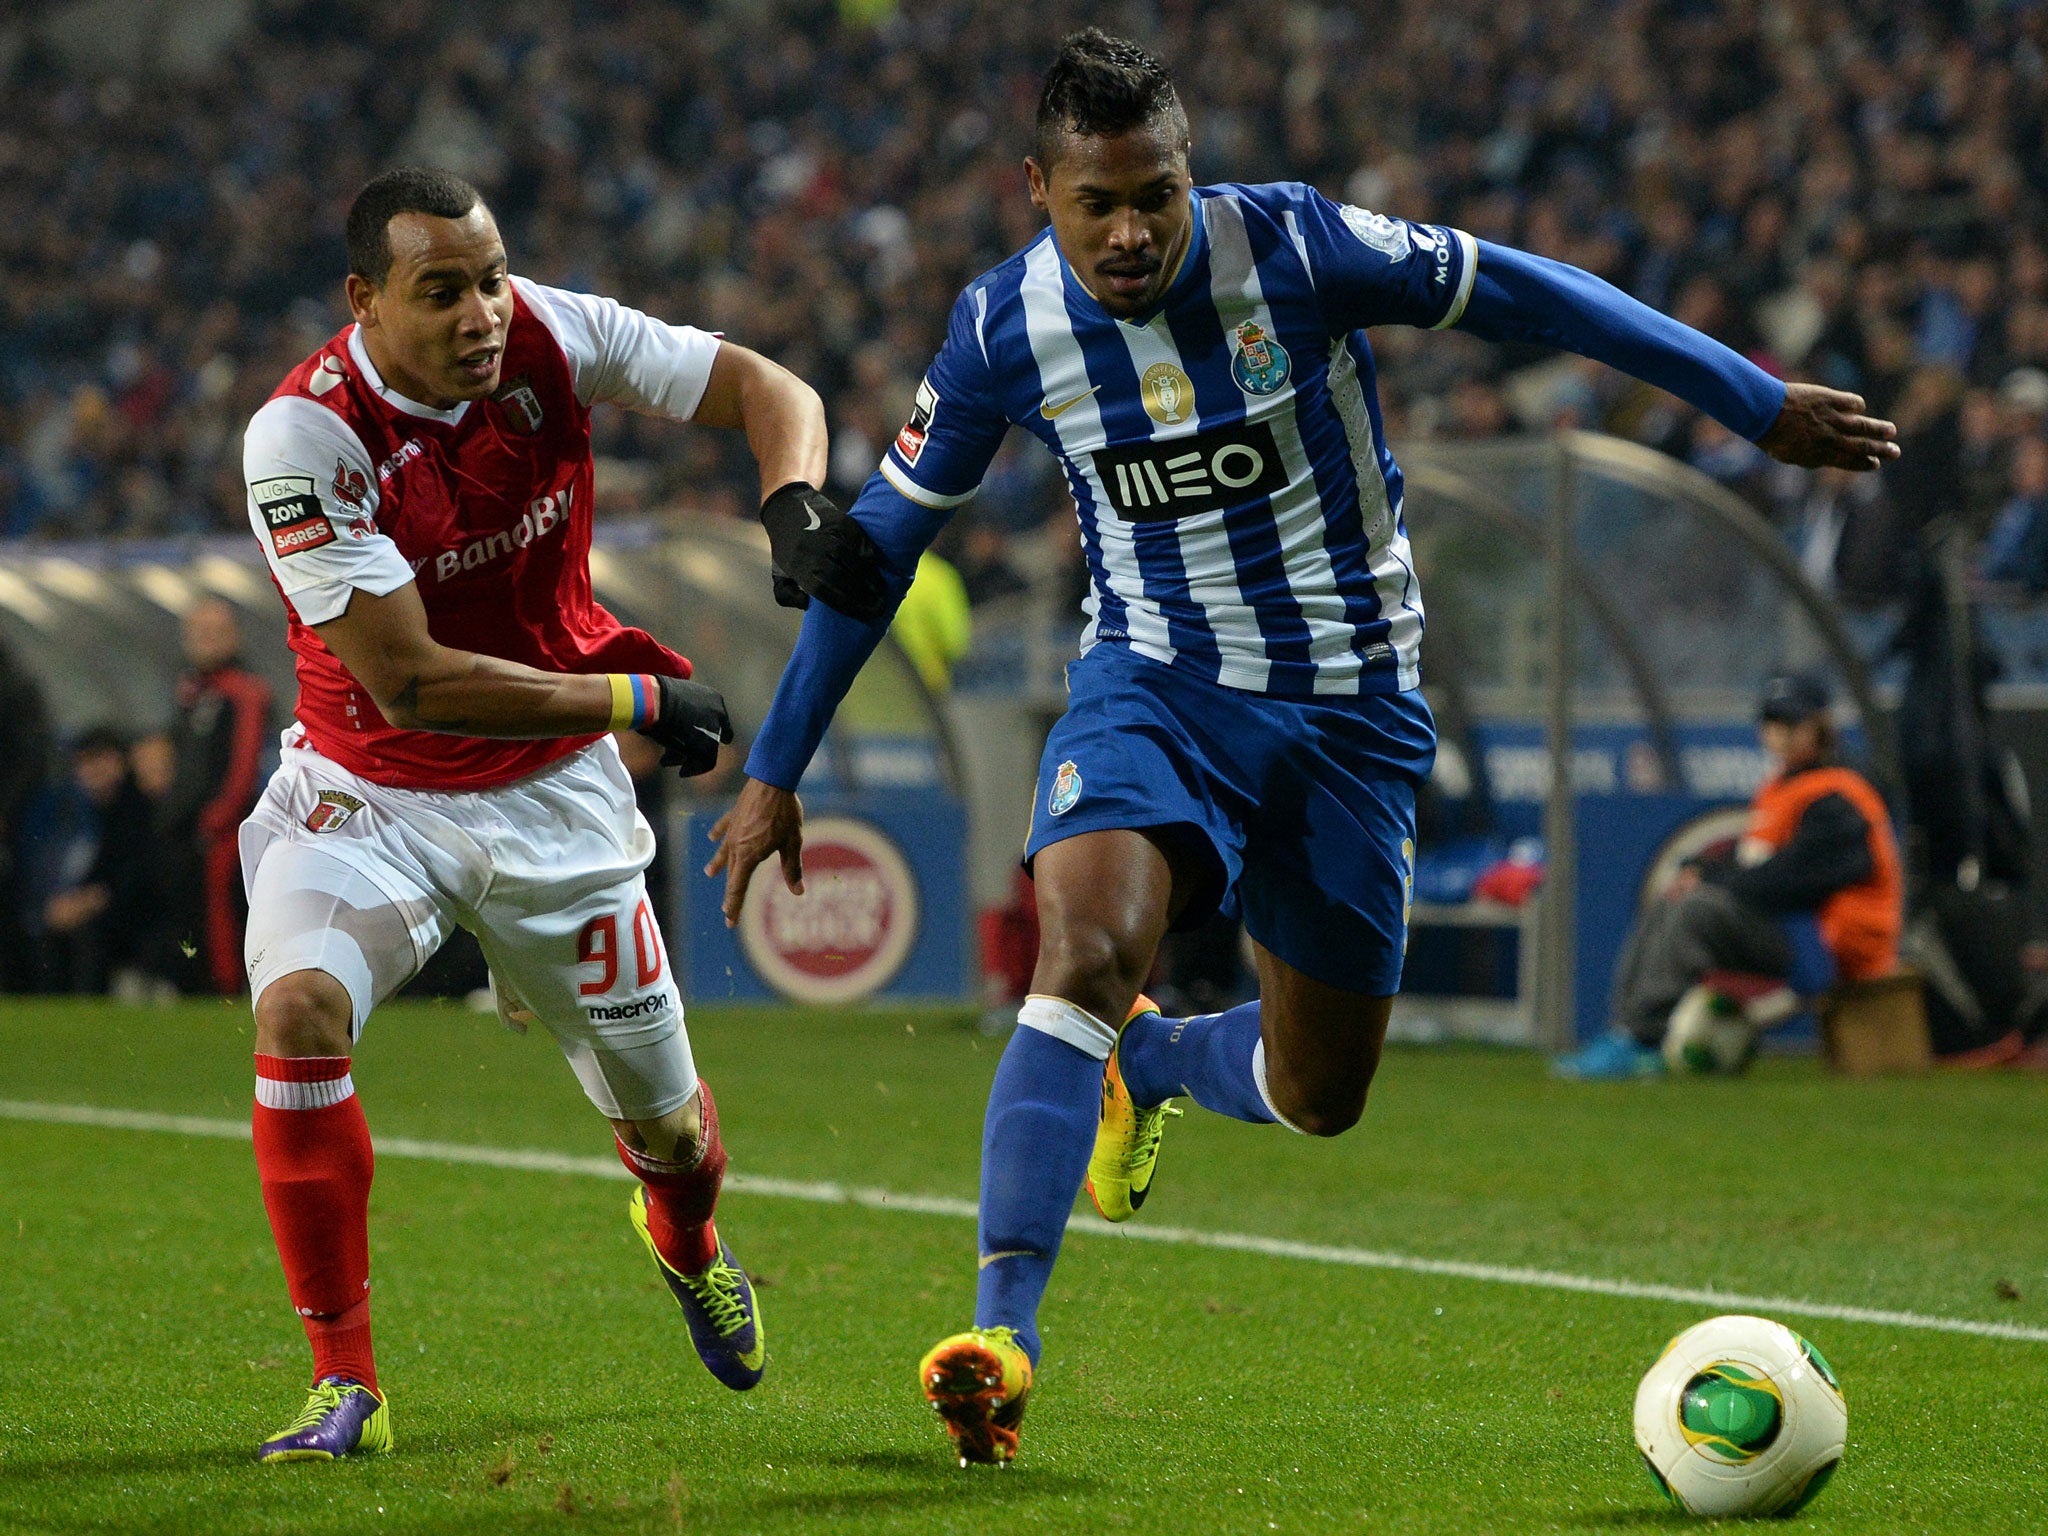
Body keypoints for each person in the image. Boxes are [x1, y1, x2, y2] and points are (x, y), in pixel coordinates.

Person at [708, 31, 1899, 1466]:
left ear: (1189, 167)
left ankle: (1147, 1071)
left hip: (1351, 708)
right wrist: (775, 768)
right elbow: (875, 560)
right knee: (1083, 948)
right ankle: (1003, 1339)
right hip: (1152, 683)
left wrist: (1750, 400)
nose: (1134, 230)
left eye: (1157, 192)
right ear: (1039, 190)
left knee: (1319, 1092)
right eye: (1099, 202)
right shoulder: (999, 334)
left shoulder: (1302, 246)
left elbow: (1533, 294)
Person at [235, 166, 878, 1463]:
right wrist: (632, 692)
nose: (481, 312)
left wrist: (795, 498)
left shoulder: (551, 332)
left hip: (555, 806)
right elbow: (410, 679)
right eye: (442, 292)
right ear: (364, 301)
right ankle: (342, 1382)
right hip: (371, 793)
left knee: (676, 1137)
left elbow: (771, 391)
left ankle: (685, 1239)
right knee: (298, 1011)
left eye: (489, 278)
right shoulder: (302, 440)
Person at [1557, 675, 1904, 1079]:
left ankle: (1643, 1038)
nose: (1781, 735)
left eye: (1793, 723)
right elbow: (1761, 866)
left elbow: (1797, 879)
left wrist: (1716, 882)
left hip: (1830, 944)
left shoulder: (1841, 790)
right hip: (1794, 929)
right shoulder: (1783, 785)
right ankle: (1624, 1033)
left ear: (1821, 726)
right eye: (1773, 723)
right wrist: (1704, 871)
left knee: (1697, 910)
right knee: (1677, 896)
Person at [152, 598, 273, 995]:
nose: (204, 640)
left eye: (214, 632)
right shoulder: (190, 690)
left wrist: (218, 820)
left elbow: (243, 765)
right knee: (187, 910)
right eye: (197, 631)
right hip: (184, 827)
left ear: (234, 637)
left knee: (220, 910)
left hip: (224, 831)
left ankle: (227, 988)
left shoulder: (246, 691)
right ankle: (190, 983)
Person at [29, 726, 154, 994]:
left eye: (99, 759)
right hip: (78, 905)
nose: (91, 769)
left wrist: (93, 900)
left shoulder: (138, 810)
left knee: (90, 936)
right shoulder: (67, 809)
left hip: (127, 914)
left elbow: (140, 874)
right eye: (84, 761)